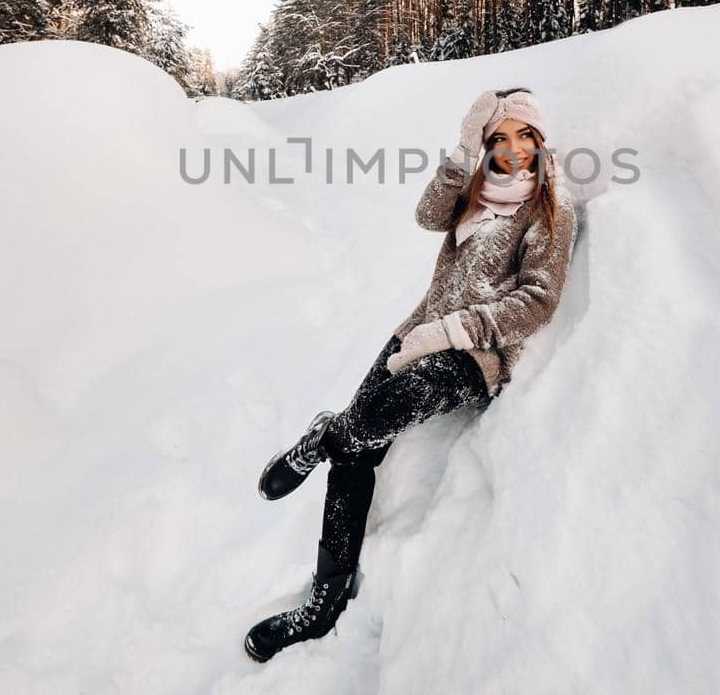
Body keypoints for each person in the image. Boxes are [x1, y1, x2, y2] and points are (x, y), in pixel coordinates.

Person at [244, 86, 580, 663]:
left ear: (541, 140)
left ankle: (316, 440)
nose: (513, 150)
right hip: (415, 332)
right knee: (359, 449)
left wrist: (453, 333)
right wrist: (460, 147)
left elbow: (538, 303)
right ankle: (326, 599)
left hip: (472, 358)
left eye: (524, 136)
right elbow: (427, 215)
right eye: (498, 139)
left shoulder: (551, 208)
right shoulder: (474, 192)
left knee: (359, 423)